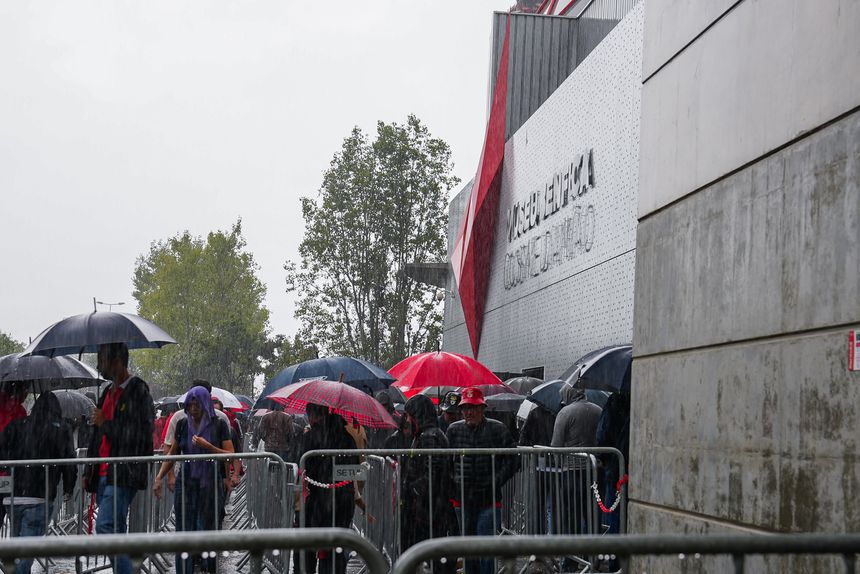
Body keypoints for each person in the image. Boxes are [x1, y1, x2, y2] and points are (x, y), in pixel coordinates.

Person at [85, 342, 154, 574]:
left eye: (103, 360)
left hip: (123, 473)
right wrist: (89, 470)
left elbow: (138, 436)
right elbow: (98, 435)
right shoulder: (106, 392)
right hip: (103, 472)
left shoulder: (138, 391)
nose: (99, 366)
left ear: (117, 362)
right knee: (116, 531)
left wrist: (107, 423)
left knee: (105, 528)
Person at [154, 386, 235, 573]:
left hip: (210, 483)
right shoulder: (182, 424)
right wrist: (160, 477)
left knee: (208, 529)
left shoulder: (219, 425)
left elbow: (230, 455)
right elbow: (173, 453)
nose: (193, 408)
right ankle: (184, 570)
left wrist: (209, 447)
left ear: (205, 403)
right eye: (190, 405)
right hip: (187, 483)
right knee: (184, 531)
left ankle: (209, 567)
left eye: (197, 404)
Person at [0, 392, 77, 574]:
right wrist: (68, 487)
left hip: (14, 496)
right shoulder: (61, 429)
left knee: (18, 546)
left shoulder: (17, 426)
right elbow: (69, 461)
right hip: (40, 496)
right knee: (28, 550)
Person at [446, 387, 519, 574]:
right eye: (465, 408)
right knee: (468, 547)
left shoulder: (497, 429)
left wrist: (496, 481)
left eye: (473, 407)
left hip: (488, 499)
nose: (468, 412)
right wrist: (454, 480)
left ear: (482, 409)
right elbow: (446, 461)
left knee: (486, 548)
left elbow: (514, 459)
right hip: (462, 498)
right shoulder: (453, 430)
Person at [300, 404, 358, 574]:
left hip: (319, 499)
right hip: (344, 499)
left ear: (313, 416)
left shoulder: (310, 437)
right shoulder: (348, 437)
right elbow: (355, 467)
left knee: (314, 543)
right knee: (337, 544)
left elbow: (304, 465)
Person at [402, 395, 455, 574]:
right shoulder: (426, 435)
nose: (407, 419)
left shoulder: (430, 437)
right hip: (429, 508)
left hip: (429, 510)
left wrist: (412, 490)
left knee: (430, 556)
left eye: (410, 415)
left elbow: (430, 474)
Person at [550, 383, 601, 539]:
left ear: (568, 395)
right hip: (594, 470)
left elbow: (556, 445)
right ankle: (592, 554)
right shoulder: (598, 410)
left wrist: (560, 463)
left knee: (572, 514)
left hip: (571, 471)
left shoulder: (565, 413)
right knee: (592, 513)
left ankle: (571, 557)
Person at [518, 404, 556, 534]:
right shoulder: (560, 411)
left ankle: (538, 540)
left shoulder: (535, 412)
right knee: (554, 506)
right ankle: (553, 539)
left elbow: (523, 439)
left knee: (537, 504)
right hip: (558, 466)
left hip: (538, 465)